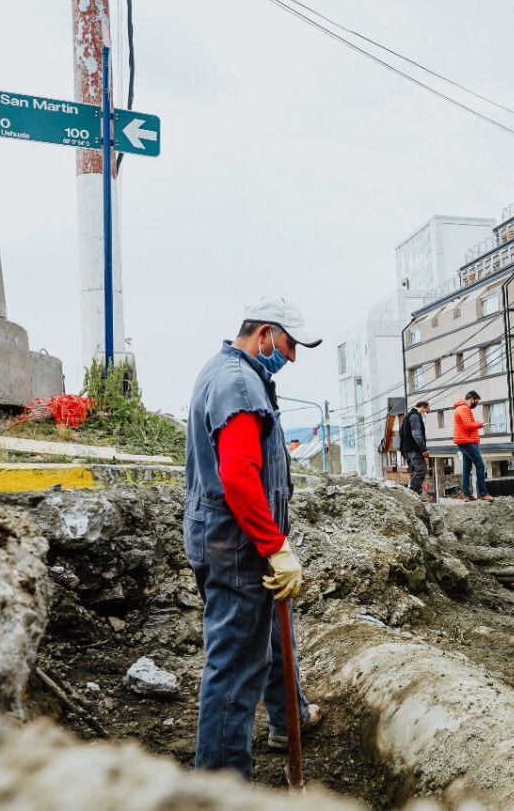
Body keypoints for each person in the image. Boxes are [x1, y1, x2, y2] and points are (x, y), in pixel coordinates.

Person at [184, 296, 324, 778]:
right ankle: (221, 783)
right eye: (288, 344)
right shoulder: (240, 384)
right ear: (264, 333)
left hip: (232, 539)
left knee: (265, 631)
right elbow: (240, 475)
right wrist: (274, 545)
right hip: (238, 546)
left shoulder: (229, 372)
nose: (292, 357)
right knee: (236, 665)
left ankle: (291, 718)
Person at [452, 390, 491, 501]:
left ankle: (467, 494)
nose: (476, 404)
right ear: (472, 399)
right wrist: (479, 424)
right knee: (480, 465)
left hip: (463, 441)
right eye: (476, 401)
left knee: (467, 468)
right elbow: (468, 425)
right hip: (467, 441)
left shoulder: (460, 408)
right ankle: (483, 494)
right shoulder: (464, 408)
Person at [400, 400, 431, 501]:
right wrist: (424, 449)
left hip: (407, 450)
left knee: (414, 471)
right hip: (414, 449)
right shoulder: (415, 416)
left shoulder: (407, 416)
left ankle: (416, 496)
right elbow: (416, 434)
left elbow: (401, 433)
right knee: (420, 470)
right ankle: (412, 493)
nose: (425, 414)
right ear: (422, 407)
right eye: (425, 411)